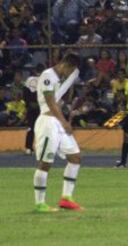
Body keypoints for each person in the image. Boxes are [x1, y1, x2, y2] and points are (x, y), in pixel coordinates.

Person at [33, 52, 83, 212]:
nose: (69, 73)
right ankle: (40, 203)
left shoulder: (61, 78)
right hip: (48, 123)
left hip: (57, 122)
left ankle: (66, 198)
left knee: (75, 157)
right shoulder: (47, 76)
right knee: (45, 163)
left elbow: (60, 98)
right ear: (65, 65)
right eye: (70, 70)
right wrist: (64, 122)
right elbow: (50, 102)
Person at [23, 64, 43, 155]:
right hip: (41, 107)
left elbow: (25, 93)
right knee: (42, 128)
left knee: (31, 127)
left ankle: (28, 148)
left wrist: (28, 105)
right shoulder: (45, 80)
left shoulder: (29, 80)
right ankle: (41, 148)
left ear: (35, 70)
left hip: (31, 107)